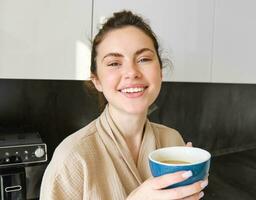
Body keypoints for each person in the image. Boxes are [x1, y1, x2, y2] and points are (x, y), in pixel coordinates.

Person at [40, 10, 208, 200]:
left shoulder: (172, 140)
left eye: (143, 59)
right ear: (97, 80)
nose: (131, 72)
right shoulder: (72, 158)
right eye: (114, 63)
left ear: (160, 72)